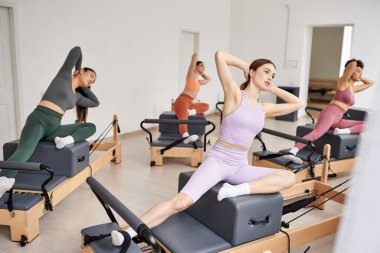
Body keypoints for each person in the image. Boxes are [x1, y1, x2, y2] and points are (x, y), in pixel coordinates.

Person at [110, 51, 303, 247]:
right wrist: (246, 66)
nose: (270, 76)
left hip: (239, 166)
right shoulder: (235, 95)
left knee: (289, 178)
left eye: (273, 74)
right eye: (266, 71)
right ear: (252, 73)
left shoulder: (265, 108)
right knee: (181, 202)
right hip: (218, 161)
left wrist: (274, 88)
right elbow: (220, 56)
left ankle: (235, 191)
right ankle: (128, 232)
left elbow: (298, 103)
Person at [0, 46, 99, 198]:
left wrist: (85, 86)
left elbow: (95, 102)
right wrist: (77, 70)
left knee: (90, 127)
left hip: (54, 129)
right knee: (24, 152)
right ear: (82, 71)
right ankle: (2, 180)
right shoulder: (64, 75)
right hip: (38, 120)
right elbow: (77, 50)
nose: (91, 80)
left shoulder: (77, 97)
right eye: (91, 75)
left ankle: (65, 140)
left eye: (93, 81)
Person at [284, 59, 374, 164]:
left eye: (361, 71)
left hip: (338, 119)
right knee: (316, 133)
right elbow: (353, 64)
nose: (360, 73)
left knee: (367, 124)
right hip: (330, 113)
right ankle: (291, 152)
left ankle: (342, 131)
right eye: (358, 71)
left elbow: (371, 83)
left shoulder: (353, 88)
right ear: (349, 70)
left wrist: (359, 75)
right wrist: (354, 65)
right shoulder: (343, 82)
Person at [173, 53, 211, 143]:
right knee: (183, 119)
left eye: (204, 66)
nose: (203, 67)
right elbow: (194, 59)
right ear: (196, 66)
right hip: (182, 101)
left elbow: (209, 79)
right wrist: (196, 54)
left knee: (206, 106)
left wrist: (202, 72)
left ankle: (190, 112)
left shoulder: (198, 81)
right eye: (201, 65)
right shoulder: (191, 75)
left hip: (189, 103)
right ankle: (185, 137)